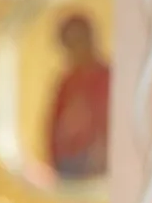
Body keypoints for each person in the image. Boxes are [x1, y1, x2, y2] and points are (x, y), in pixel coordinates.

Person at [46, 13, 110, 180]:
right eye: (71, 44)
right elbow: (54, 129)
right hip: (70, 164)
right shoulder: (67, 83)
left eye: (80, 41)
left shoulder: (107, 77)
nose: (77, 48)